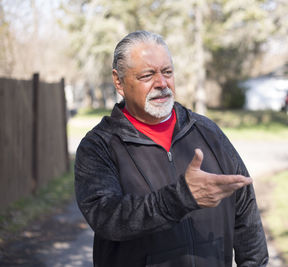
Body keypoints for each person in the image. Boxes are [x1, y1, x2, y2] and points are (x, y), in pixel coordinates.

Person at [74, 30, 268, 267]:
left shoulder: (206, 131)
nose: (162, 83)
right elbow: (107, 218)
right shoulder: (99, 145)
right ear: (119, 81)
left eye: (167, 72)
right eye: (147, 75)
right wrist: (180, 198)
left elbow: (245, 209)